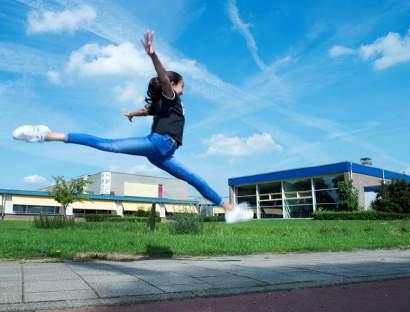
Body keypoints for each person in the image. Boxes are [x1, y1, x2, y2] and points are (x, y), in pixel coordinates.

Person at [12, 31, 253, 224]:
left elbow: (147, 111)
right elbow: (163, 79)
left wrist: (132, 113)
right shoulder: (171, 96)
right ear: (174, 84)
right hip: (159, 143)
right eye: (182, 86)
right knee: (107, 145)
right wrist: (153, 55)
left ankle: (229, 209)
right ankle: (45, 134)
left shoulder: (163, 104)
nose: (183, 90)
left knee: (193, 178)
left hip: (163, 153)